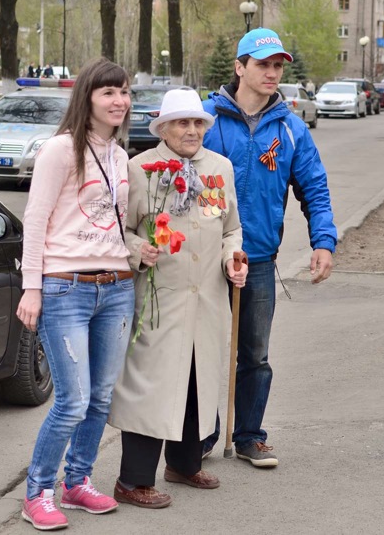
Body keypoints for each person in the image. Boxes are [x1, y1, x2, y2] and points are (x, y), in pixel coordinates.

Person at [200, 28, 337, 467]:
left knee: (254, 354)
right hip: (201, 257)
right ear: (240, 67)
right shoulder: (204, 119)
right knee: (199, 350)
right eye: (263, 64)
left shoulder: (291, 129)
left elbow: (314, 188)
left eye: (278, 65)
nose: (272, 73)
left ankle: (249, 437)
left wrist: (324, 243)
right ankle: (198, 438)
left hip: (256, 259)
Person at [108, 88, 247, 509]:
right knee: (151, 386)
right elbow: (122, 230)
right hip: (158, 297)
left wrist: (232, 259)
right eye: (183, 123)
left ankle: (184, 465)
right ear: (164, 128)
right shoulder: (140, 169)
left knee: (196, 379)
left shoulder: (219, 168)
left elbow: (231, 229)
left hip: (206, 296)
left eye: (198, 123)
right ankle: (132, 481)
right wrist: (137, 252)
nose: (192, 130)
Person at [16, 58, 134, 531]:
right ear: (87, 97)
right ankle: (38, 491)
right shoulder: (60, 150)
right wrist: (31, 288)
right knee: (73, 400)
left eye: (124, 92)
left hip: (117, 289)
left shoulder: (120, 156)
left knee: (101, 398)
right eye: (108, 93)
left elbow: (113, 225)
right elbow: (36, 220)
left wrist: (141, 249)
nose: (119, 101)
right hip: (66, 288)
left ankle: (78, 483)